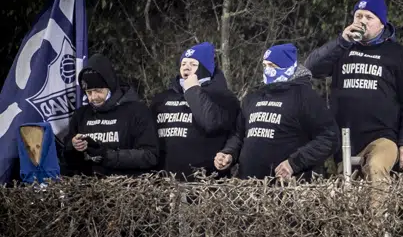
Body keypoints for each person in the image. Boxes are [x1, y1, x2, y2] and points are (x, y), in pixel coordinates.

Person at [305, 0, 403, 207]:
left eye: (368, 16)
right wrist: (341, 42)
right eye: (358, 15)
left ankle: (375, 232)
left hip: (382, 137)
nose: (362, 21)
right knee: (344, 198)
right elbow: (311, 69)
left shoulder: (398, 55)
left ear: (382, 23)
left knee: (376, 169)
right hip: (344, 140)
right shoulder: (343, 49)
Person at [218, 44, 338, 181]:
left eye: (273, 66)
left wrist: (294, 163)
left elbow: (329, 137)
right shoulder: (253, 97)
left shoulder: (305, 97)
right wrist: (229, 153)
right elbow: (239, 134)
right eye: (265, 66)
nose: (268, 71)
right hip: (249, 189)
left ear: (287, 67)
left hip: (289, 189)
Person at [149, 42, 240, 179]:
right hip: (164, 181)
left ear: (204, 69)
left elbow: (211, 123)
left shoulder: (223, 97)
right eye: (184, 63)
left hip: (204, 182)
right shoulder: (162, 98)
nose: (186, 67)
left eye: (193, 64)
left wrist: (193, 90)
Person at [64, 55, 160, 177]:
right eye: (88, 92)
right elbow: (67, 162)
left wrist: (107, 156)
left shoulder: (137, 111)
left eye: (98, 91)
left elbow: (150, 156)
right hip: (88, 189)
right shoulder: (81, 114)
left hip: (128, 189)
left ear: (111, 86)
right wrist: (73, 146)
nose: (93, 97)